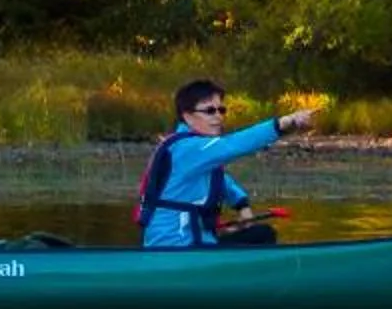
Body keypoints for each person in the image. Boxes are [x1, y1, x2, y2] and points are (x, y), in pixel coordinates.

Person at [136, 81, 317, 248]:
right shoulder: (187, 148)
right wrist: (284, 123)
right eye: (210, 111)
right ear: (187, 116)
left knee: (261, 234)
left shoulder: (199, 150)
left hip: (199, 242)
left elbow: (221, 179)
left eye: (221, 110)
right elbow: (234, 144)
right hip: (176, 245)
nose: (218, 117)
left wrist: (242, 205)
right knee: (263, 237)